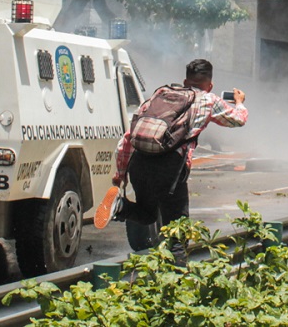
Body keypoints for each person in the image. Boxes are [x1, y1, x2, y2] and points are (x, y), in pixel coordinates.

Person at [95, 59, 247, 260]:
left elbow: (129, 136)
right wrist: (239, 102)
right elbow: (238, 119)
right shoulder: (209, 99)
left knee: (148, 213)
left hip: (140, 163)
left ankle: (121, 207)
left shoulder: (160, 94)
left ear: (185, 81)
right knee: (178, 232)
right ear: (210, 85)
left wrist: (120, 174)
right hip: (170, 171)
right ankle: (176, 283)